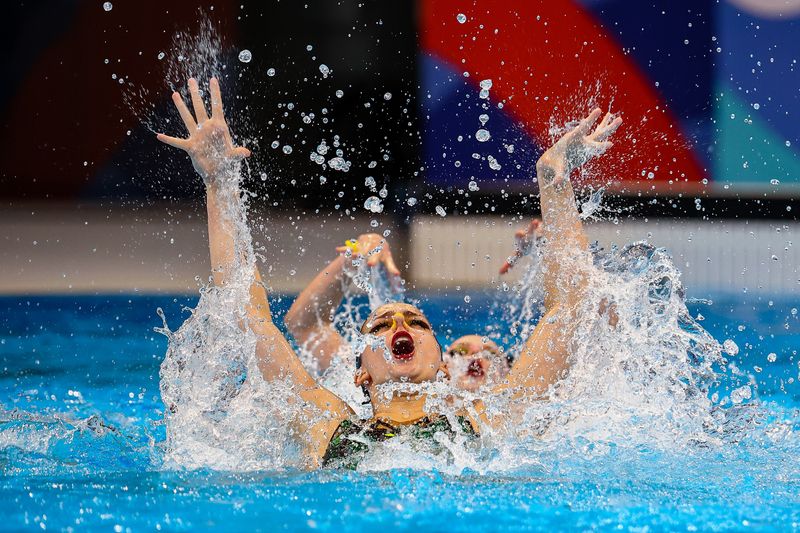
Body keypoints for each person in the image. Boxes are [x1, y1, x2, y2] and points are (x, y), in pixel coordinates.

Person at [156, 77, 622, 469]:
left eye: (417, 322)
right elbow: (247, 310)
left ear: (443, 365)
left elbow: (570, 309)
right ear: (360, 374)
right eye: (381, 324)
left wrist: (552, 176)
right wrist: (218, 181)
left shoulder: (485, 421)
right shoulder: (325, 427)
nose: (400, 325)